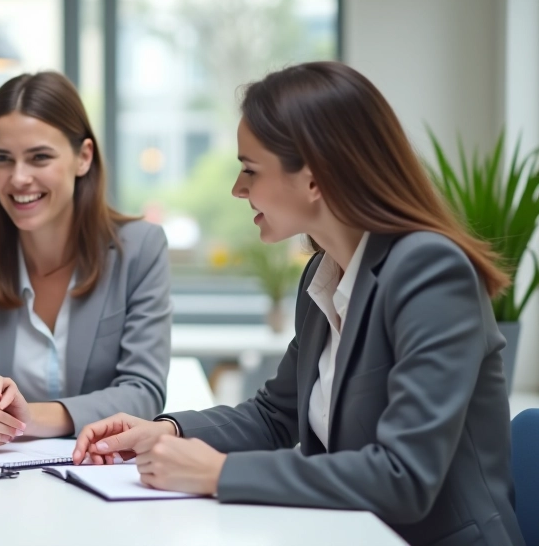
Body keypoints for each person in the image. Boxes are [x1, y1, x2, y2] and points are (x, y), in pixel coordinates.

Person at [72, 61, 525, 546]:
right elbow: (275, 414)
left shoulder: (431, 270)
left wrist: (219, 473)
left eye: (249, 169)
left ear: (314, 178)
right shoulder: (325, 272)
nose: (237, 189)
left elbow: (404, 477)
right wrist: (167, 431)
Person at [0, 71, 171, 447]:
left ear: (83, 157)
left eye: (39, 157)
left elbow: (143, 392)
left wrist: (31, 418)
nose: (19, 178)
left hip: (97, 474)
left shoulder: (140, 248)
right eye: (2, 159)